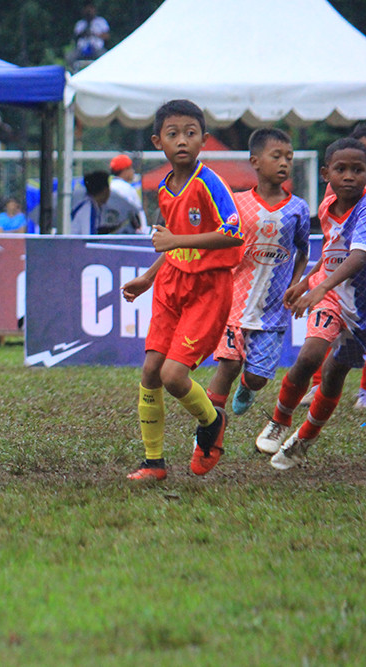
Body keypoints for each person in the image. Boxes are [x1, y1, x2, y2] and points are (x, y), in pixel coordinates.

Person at [120, 99, 243, 481]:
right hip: (171, 283)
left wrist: (174, 242)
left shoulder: (210, 183)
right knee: (151, 371)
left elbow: (233, 233)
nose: (182, 141)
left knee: (174, 377)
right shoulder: (162, 187)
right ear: (159, 142)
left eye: (190, 133)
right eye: (173, 134)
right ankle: (153, 462)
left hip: (208, 288)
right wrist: (148, 277)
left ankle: (212, 421)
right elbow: (173, 243)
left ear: (204, 139)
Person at [255, 138, 366, 460]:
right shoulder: (325, 207)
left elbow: (359, 257)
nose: (349, 176)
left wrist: (318, 288)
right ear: (326, 174)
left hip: (365, 309)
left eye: (358, 170)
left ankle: (305, 437)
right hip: (332, 296)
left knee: (336, 373)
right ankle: (280, 420)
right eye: (341, 169)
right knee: (310, 357)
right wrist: (308, 281)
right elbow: (332, 255)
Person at [204, 129, 311, 416]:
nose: (284, 163)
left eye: (289, 157)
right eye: (276, 156)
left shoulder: (298, 208)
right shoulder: (236, 203)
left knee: (257, 377)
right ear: (255, 161)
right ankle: (209, 427)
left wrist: (297, 282)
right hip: (234, 302)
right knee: (228, 365)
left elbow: (303, 250)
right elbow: (218, 240)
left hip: (272, 308)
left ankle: (249, 387)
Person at [106, 154, 148, 233]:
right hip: (128, 233)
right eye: (131, 168)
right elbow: (137, 214)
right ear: (125, 171)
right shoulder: (128, 189)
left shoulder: (109, 187)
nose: (133, 171)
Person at [69, 3, 110, 68]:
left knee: (105, 56)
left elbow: (106, 36)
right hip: (82, 48)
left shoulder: (101, 21)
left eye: (90, 10)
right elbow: (75, 37)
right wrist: (84, 33)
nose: (89, 12)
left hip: (97, 48)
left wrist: (94, 34)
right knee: (70, 56)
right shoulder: (80, 23)